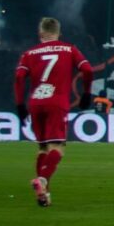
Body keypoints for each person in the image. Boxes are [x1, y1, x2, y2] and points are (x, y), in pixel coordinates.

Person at [14, 18, 94, 208]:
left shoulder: (29, 53)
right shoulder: (69, 49)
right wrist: (86, 94)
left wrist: (19, 105)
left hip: (36, 103)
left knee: (43, 148)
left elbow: (19, 77)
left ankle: (44, 194)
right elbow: (88, 70)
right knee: (57, 148)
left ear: (40, 34)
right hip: (56, 102)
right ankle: (42, 180)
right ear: (59, 33)